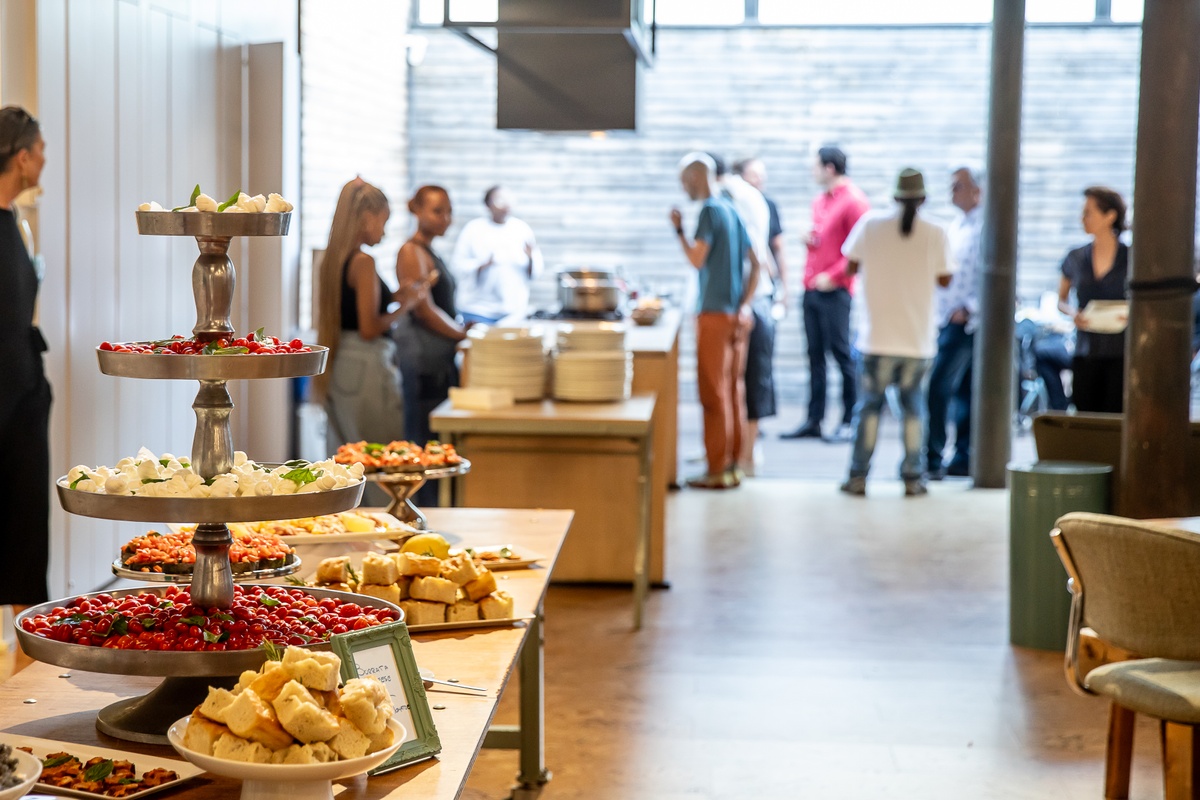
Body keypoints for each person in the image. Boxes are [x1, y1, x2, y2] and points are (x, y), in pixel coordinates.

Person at [840, 169, 954, 497]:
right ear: (923, 199)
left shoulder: (871, 225)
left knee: (869, 410)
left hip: (876, 339)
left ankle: (858, 478)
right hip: (918, 341)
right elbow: (945, 278)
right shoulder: (936, 232)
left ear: (894, 197)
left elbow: (849, 266)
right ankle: (913, 478)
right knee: (915, 410)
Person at [315, 178, 428, 456]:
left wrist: (394, 298)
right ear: (367, 218)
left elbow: (353, 313)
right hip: (366, 366)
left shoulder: (332, 259)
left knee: (349, 458)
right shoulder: (364, 262)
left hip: (342, 365)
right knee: (379, 457)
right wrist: (407, 305)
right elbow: (369, 328)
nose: (385, 232)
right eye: (383, 221)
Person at [669, 153, 760, 489]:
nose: (684, 188)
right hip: (736, 316)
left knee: (713, 394)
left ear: (695, 178)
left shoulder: (709, 210)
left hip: (713, 314)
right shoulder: (733, 209)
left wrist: (679, 230)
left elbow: (696, 259)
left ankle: (716, 469)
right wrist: (745, 304)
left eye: (684, 182)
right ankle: (733, 465)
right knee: (734, 391)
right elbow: (758, 263)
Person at [782, 146, 869, 442]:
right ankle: (814, 420)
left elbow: (860, 250)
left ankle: (849, 420)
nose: (812, 171)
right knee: (814, 356)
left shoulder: (854, 201)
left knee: (842, 355)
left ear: (830, 168)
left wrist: (833, 277)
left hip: (836, 291)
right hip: (810, 288)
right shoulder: (819, 201)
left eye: (816, 166)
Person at [0, 106, 50, 621]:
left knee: (25, 538)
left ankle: (26, 675)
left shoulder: (18, 221)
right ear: (21, 157)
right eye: (39, 151)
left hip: (22, 404)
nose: (44, 160)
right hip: (6, 402)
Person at [393, 185, 468, 505]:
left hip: (436, 360)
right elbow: (424, 310)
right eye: (438, 211)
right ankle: (423, 515)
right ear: (416, 211)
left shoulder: (429, 251)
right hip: (423, 362)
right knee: (424, 443)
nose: (445, 218)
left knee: (435, 442)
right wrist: (461, 334)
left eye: (449, 211)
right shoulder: (411, 251)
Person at [925, 167, 983, 480]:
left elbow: (997, 278)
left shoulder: (987, 227)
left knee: (939, 387)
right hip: (947, 318)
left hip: (967, 322)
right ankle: (961, 456)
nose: (952, 191)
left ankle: (933, 456)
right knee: (960, 391)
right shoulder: (957, 225)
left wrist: (969, 308)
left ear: (977, 191)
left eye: (958, 186)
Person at [733, 157, 788, 473]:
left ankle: (749, 453)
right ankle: (739, 449)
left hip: (758, 300)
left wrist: (782, 287)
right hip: (749, 299)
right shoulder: (738, 204)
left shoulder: (761, 205)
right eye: (755, 175)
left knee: (756, 376)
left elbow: (769, 254)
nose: (759, 181)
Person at [1056, 186, 1129, 413]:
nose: (1083, 218)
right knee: (1085, 412)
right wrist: (1072, 314)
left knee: (1115, 413)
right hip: (1086, 348)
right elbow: (1061, 300)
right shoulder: (1075, 257)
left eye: (1089, 212)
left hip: (1121, 349)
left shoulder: (1132, 256)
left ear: (1110, 216)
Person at [450, 185, 542, 324]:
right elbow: (457, 265)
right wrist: (481, 265)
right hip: (478, 310)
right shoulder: (473, 229)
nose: (505, 204)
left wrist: (531, 259)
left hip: (513, 311)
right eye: (499, 200)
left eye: (508, 199)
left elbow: (535, 271)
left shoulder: (521, 229)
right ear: (488, 205)